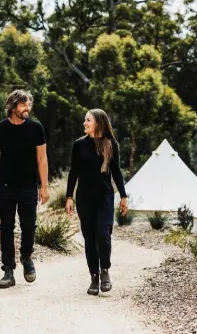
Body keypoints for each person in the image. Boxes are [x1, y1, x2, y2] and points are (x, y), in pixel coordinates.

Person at [0, 89, 49, 289]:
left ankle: (26, 257)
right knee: (6, 227)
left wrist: (44, 185)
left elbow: (42, 158)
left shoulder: (36, 128)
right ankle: (8, 271)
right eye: (23, 105)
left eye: (29, 104)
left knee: (29, 225)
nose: (27, 108)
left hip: (29, 186)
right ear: (13, 106)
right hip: (5, 186)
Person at [65, 109, 128, 296]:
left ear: (98, 122)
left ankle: (105, 272)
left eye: (88, 120)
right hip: (84, 198)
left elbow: (116, 172)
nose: (84, 123)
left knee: (103, 233)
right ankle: (94, 277)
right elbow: (73, 172)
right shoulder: (79, 145)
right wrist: (69, 197)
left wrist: (123, 196)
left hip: (104, 197)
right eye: (85, 120)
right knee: (89, 238)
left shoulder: (111, 144)